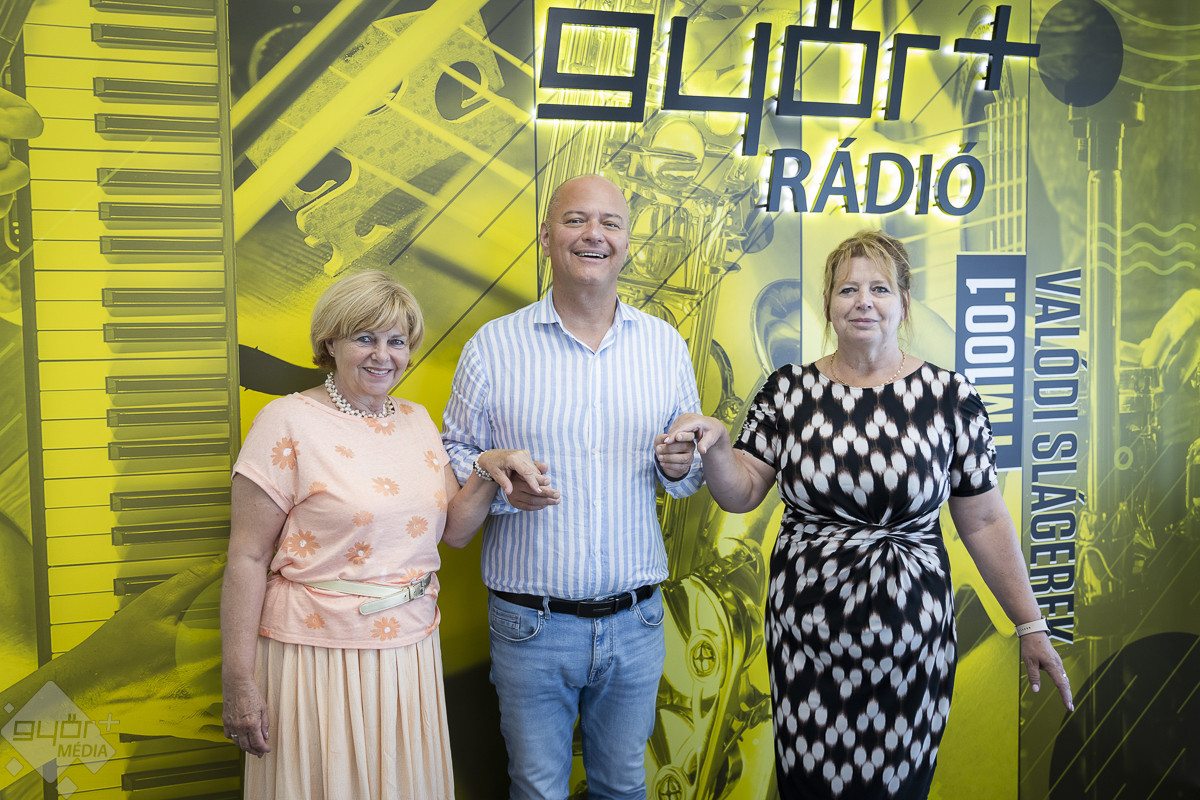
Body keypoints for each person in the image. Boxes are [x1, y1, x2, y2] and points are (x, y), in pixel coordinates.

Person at [663, 230, 1074, 799]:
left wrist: (1030, 625)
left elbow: (983, 520)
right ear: (828, 304)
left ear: (903, 302)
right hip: (807, 638)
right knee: (811, 787)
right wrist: (715, 449)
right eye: (847, 289)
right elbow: (743, 491)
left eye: (879, 288)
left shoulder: (951, 397)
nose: (863, 301)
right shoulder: (787, 391)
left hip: (913, 641)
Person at [220, 271, 542, 799]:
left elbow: (455, 532)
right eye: (364, 338)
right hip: (316, 654)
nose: (382, 355)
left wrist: (487, 468)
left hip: (408, 652)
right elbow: (247, 559)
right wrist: (239, 682)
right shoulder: (285, 421)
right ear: (331, 343)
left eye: (396, 341)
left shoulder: (416, 420)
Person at [441, 174, 704, 799]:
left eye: (610, 222)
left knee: (624, 786)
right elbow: (456, 455)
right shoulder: (492, 347)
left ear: (628, 241)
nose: (594, 235)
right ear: (545, 235)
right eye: (575, 219)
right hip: (530, 624)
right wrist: (498, 481)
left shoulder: (664, 346)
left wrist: (678, 465)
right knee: (536, 789)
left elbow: (690, 466)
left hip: (636, 620)